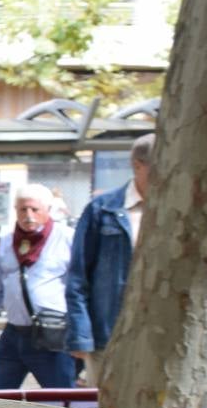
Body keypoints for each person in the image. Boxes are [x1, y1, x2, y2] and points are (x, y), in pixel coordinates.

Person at [66, 134, 155, 386]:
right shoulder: (101, 209)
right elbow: (77, 277)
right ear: (138, 165)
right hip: (108, 335)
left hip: (160, 337)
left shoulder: (178, 209)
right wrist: (81, 336)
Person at [0, 184, 76, 391]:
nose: (28, 215)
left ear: (47, 210)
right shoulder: (7, 242)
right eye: (22, 210)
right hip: (13, 334)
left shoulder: (67, 238)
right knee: (0, 399)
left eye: (35, 209)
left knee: (62, 401)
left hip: (51, 335)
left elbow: (80, 288)